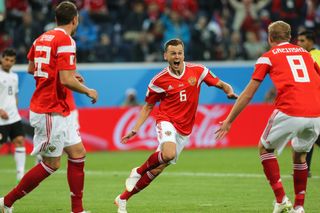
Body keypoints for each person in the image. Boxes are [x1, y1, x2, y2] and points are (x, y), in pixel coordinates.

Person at [114, 38, 238, 213]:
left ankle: (122, 199)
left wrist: (228, 91)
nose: (177, 56)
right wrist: (135, 128)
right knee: (168, 153)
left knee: (158, 168)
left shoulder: (198, 71)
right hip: (166, 120)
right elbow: (148, 106)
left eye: (179, 53)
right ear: (166, 56)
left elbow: (220, 83)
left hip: (184, 129)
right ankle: (138, 170)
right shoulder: (159, 81)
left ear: (183, 54)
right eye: (173, 53)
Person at [0, 2, 98, 213]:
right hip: (49, 109)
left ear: (56, 19)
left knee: (78, 152)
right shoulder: (66, 40)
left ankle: (77, 210)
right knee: (51, 164)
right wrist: (87, 90)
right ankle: (7, 201)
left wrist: (66, 75)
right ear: (75, 20)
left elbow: (31, 68)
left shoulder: (41, 38)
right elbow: (65, 80)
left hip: (57, 108)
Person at [215, 21, 320, 213]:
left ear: (270, 38)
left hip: (290, 109)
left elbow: (247, 94)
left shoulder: (267, 57)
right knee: (300, 156)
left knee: (265, 148)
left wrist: (229, 120)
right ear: (290, 38)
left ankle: (281, 199)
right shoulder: (307, 54)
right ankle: (299, 207)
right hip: (315, 113)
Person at [0, 48, 26, 182]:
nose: (8, 63)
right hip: (0, 119)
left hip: (13, 117)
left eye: (12, 60)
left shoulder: (14, 76)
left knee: (20, 141)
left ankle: (20, 174)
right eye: (6, 59)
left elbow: (14, 95)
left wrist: (15, 108)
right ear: (1, 58)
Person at [297, 30, 320, 178]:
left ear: (311, 42)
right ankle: (305, 169)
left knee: (309, 133)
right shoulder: (304, 56)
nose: (299, 43)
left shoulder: (314, 56)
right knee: (310, 134)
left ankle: (304, 169)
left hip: (316, 100)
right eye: (298, 40)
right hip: (311, 100)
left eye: (302, 41)